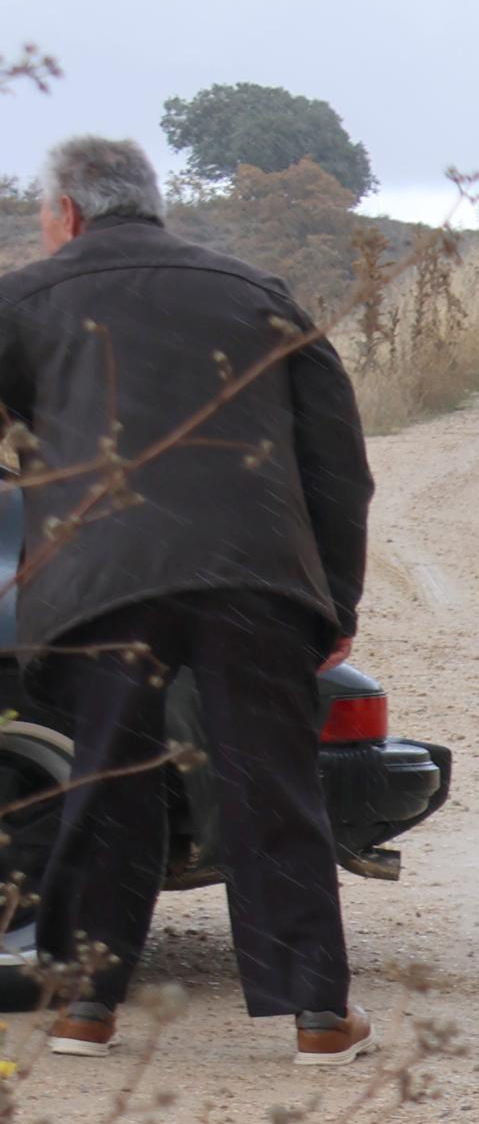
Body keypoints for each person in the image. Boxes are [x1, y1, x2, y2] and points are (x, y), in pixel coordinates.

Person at [0, 135, 371, 1059]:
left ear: (69, 212)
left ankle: (87, 1009)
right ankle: (319, 1018)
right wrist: (335, 601)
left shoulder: (23, 301)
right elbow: (338, 465)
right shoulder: (258, 294)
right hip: (251, 576)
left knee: (112, 779)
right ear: (149, 204)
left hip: (101, 584)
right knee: (269, 786)